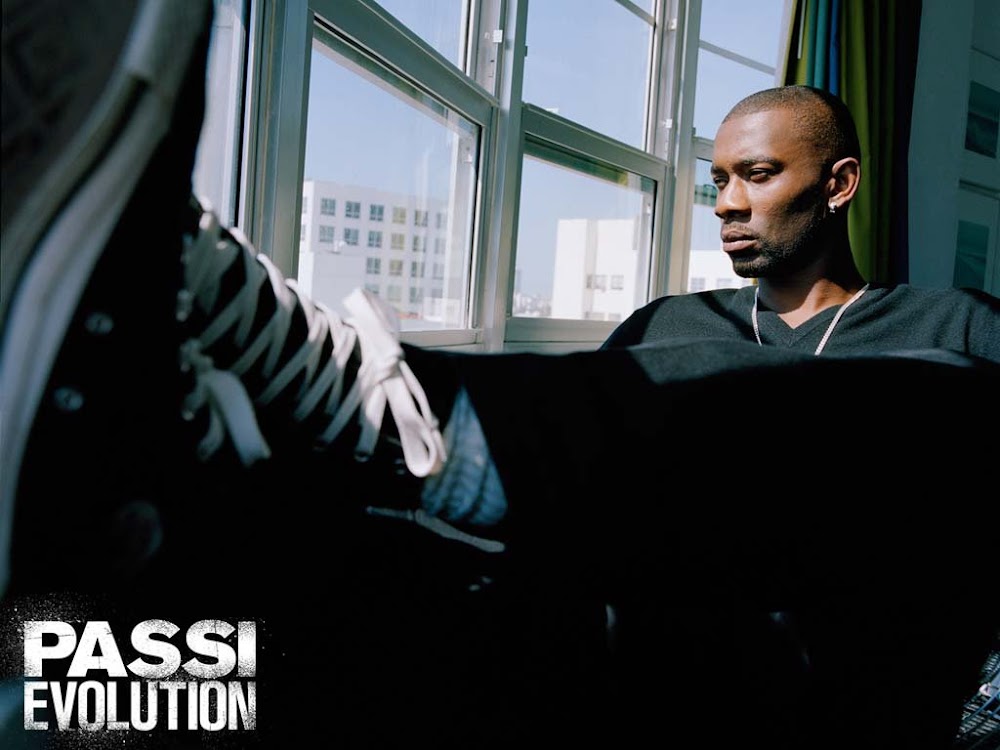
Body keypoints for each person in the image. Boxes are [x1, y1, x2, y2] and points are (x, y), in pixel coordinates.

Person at [1, 3, 997, 748]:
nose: (728, 204)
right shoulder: (669, 323)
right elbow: (569, 525)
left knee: (941, 403)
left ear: (839, 183)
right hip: (624, 664)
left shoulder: (949, 323)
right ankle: (58, 670)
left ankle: (407, 416)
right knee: (345, 603)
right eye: (717, 182)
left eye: (759, 176)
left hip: (831, 685)